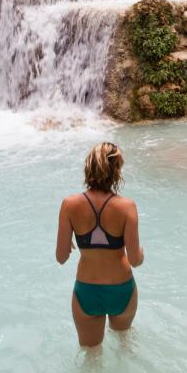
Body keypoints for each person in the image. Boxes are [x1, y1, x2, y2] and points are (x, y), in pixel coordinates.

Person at [56, 141, 144, 347]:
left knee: (91, 358)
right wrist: (142, 253)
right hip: (121, 290)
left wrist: (69, 244)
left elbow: (60, 258)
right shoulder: (126, 207)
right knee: (125, 347)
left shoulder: (69, 205)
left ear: (88, 168)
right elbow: (135, 260)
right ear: (116, 171)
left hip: (86, 291)